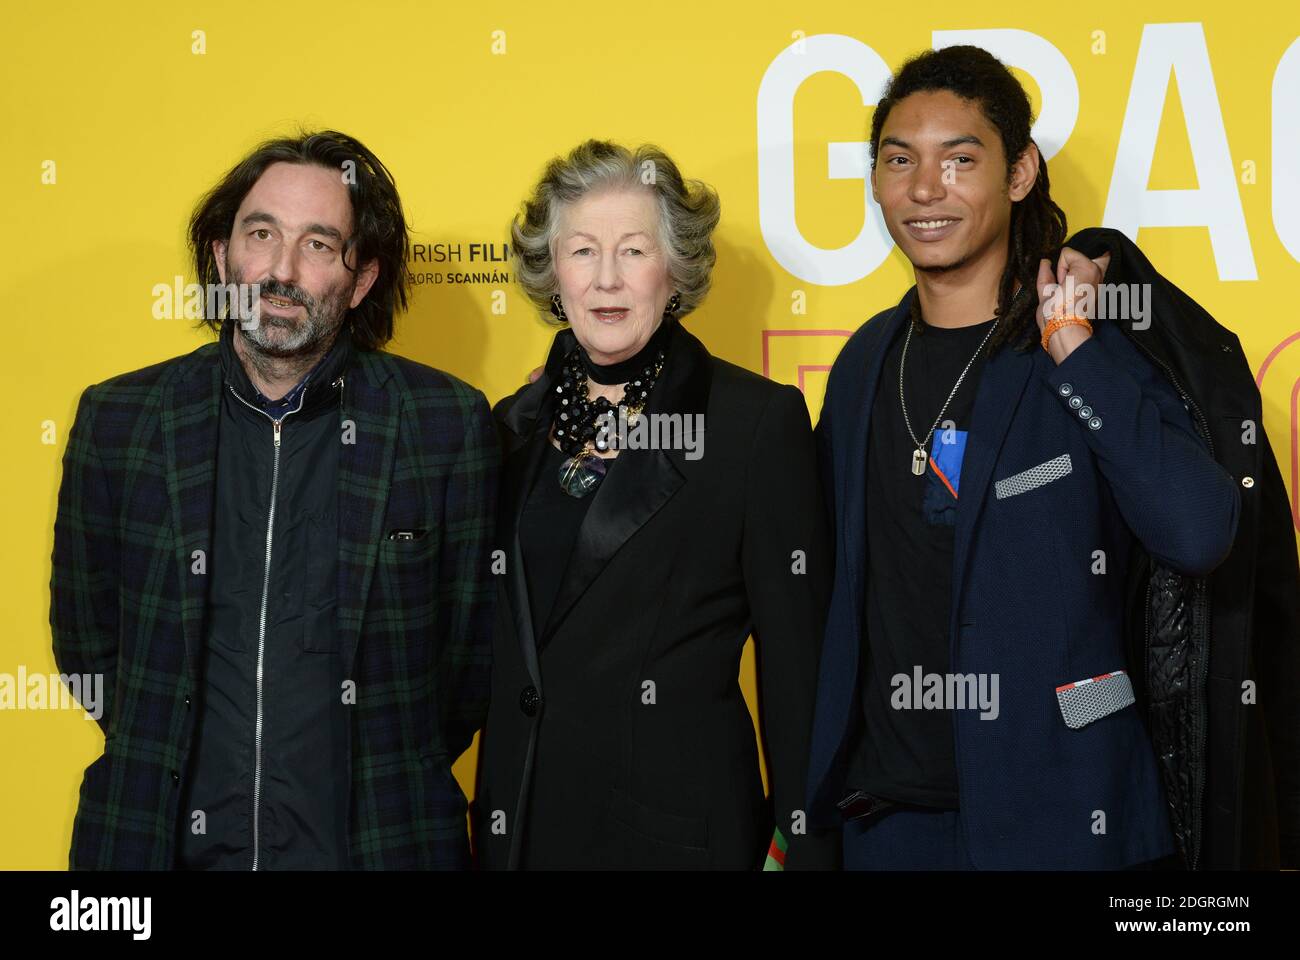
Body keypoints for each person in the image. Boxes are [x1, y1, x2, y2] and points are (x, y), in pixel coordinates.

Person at [805, 46, 1250, 870]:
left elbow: (1199, 531)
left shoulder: (1085, 345)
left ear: (1019, 174)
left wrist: (1075, 349)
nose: (925, 188)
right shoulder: (866, 361)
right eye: (899, 160)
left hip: (1070, 818)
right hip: (889, 823)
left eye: (959, 159)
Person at [50, 130, 498, 870]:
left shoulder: (446, 425)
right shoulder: (120, 418)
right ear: (224, 256)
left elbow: (467, 667)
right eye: (262, 234)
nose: (282, 270)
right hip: (150, 846)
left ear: (360, 281)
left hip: (382, 846)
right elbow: (86, 641)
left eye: (320, 245)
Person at [474, 139, 835, 869]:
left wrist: (804, 845)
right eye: (581, 252)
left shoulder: (752, 425)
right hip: (522, 835)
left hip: (677, 840)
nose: (606, 279)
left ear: (674, 270)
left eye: (633, 251)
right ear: (553, 273)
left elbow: (799, 670)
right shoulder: (508, 427)